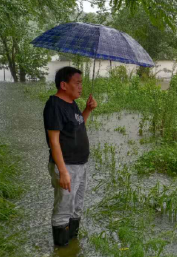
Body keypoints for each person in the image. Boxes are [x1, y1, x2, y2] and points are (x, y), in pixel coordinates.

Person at [43, 66, 97, 246]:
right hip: (66, 166)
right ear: (64, 85)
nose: (81, 87)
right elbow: (54, 141)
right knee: (63, 209)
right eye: (77, 83)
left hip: (80, 164)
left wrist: (87, 110)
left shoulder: (72, 103)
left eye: (82, 83)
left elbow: (77, 126)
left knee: (76, 207)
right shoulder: (54, 105)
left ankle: (72, 245)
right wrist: (63, 171)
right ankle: (61, 248)